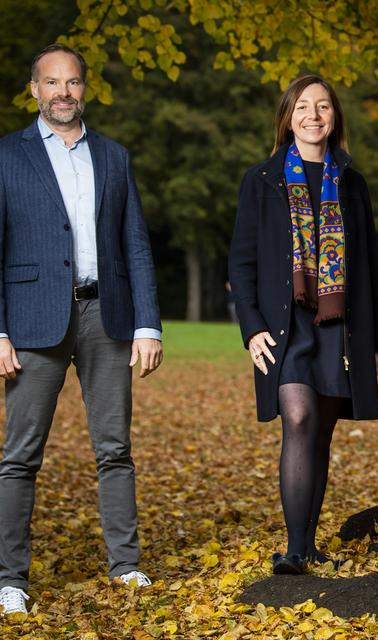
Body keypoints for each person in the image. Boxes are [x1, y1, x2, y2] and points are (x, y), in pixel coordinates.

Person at [0, 44, 163, 615]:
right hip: (31, 322)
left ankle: (126, 566)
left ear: (84, 89)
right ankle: (8, 579)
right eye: (52, 83)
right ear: (34, 89)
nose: (63, 93)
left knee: (115, 450)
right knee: (20, 455)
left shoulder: (114, 157)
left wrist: (148, 324)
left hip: (107, 316)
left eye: (72, 83)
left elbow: (136, 244)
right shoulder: (5, 156)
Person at [229, 75, 378, 575]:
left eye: (323, 107)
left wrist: (375, 342)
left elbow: (369, 267)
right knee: (297, 418)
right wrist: (251, 327)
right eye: (303, 107)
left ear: (334, 117)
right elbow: (241, 262)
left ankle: (309, 543)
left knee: (320, 432)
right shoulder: (262, 180)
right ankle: (295, 550)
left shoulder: (352, 182)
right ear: (288, 116)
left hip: (337, 328)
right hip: (284, 325)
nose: (313, 115)